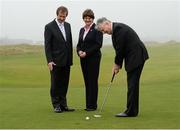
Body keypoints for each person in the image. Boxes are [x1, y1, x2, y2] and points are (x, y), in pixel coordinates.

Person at [96, 17, 149, 117]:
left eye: (103, 30)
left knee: (132, 84)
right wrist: (118, 65)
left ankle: (131, 111)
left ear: (107, 23)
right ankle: (132, 110)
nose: (104, 32)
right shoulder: (115, 30)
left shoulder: (119, 29)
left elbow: (120, 50)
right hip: (134, 56)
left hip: (136, 56)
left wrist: (116, 65)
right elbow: (119, 50)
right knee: (132, 84)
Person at [44, 6, 75, 113]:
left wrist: (70, 60)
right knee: (55, 84)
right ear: (57, 14)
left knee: (64, 83)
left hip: (66, 61)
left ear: (66, 15)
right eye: (60, 16)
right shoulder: (49, 27)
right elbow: (47, 46)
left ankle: (63, 105)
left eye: (64, 16)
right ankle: (56, 105)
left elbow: (69, 43)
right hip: (55, 61)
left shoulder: (68, 25)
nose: (62, 18)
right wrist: (49, 60)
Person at [76, 9, 103, 111]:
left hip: (93, 58)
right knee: (87, 81)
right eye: (85, 17)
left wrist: (86, 53)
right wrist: (79, 52)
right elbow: (79, 44)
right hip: (83, 59)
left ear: (92, 18)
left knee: (92, 81)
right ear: (83, 18)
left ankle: (92, 105)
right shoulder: (82, 30)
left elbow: (98, 44)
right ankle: (88, 105)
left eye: (89, 18)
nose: (87, 19)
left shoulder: (97, 29)